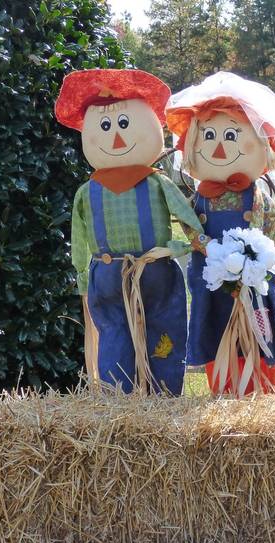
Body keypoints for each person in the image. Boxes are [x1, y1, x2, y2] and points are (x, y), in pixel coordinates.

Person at [166, 72, 275, 395]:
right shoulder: (198, 198)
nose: (218, 147)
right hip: (212, 281)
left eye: (231, 136)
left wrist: (262, 264)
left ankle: (260, 388)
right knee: (214, 328)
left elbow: (271, 232)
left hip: (254, 282)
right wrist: (206, 246)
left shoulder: (259, 197)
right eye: (208, 136)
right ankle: (222, 385)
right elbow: (190, 226)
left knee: (260, 330)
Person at [55, 69, 203, 394]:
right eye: (106, 127)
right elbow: (190, 222)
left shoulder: (94, 191)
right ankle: (148, 395)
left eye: (124, 125)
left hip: (120, 272)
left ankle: (131, 397)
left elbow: (79, 241)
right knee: (148, 329)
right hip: (145, 272)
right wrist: (190, 245)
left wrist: (84, 276)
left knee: (124, 331)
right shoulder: (148, 184)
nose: (116, 136)